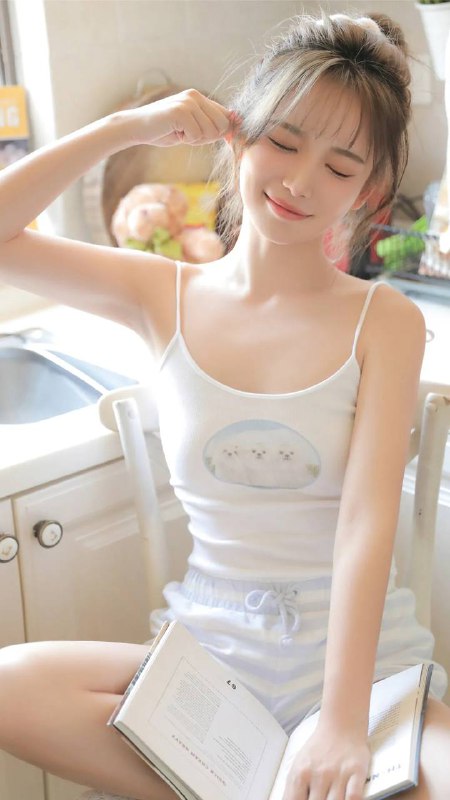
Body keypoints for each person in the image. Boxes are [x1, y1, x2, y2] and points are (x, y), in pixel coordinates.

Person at [0, 9, 449, 800]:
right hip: (209, 668)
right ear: (237, 135)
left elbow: (365, 523)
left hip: (363, 674)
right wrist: (129, 128)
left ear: (370, 188)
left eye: (340, 166)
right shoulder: (160, 292)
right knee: (11, 685)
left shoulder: (385, 320)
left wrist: (341, 726)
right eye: (284, 141)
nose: (301, 181)